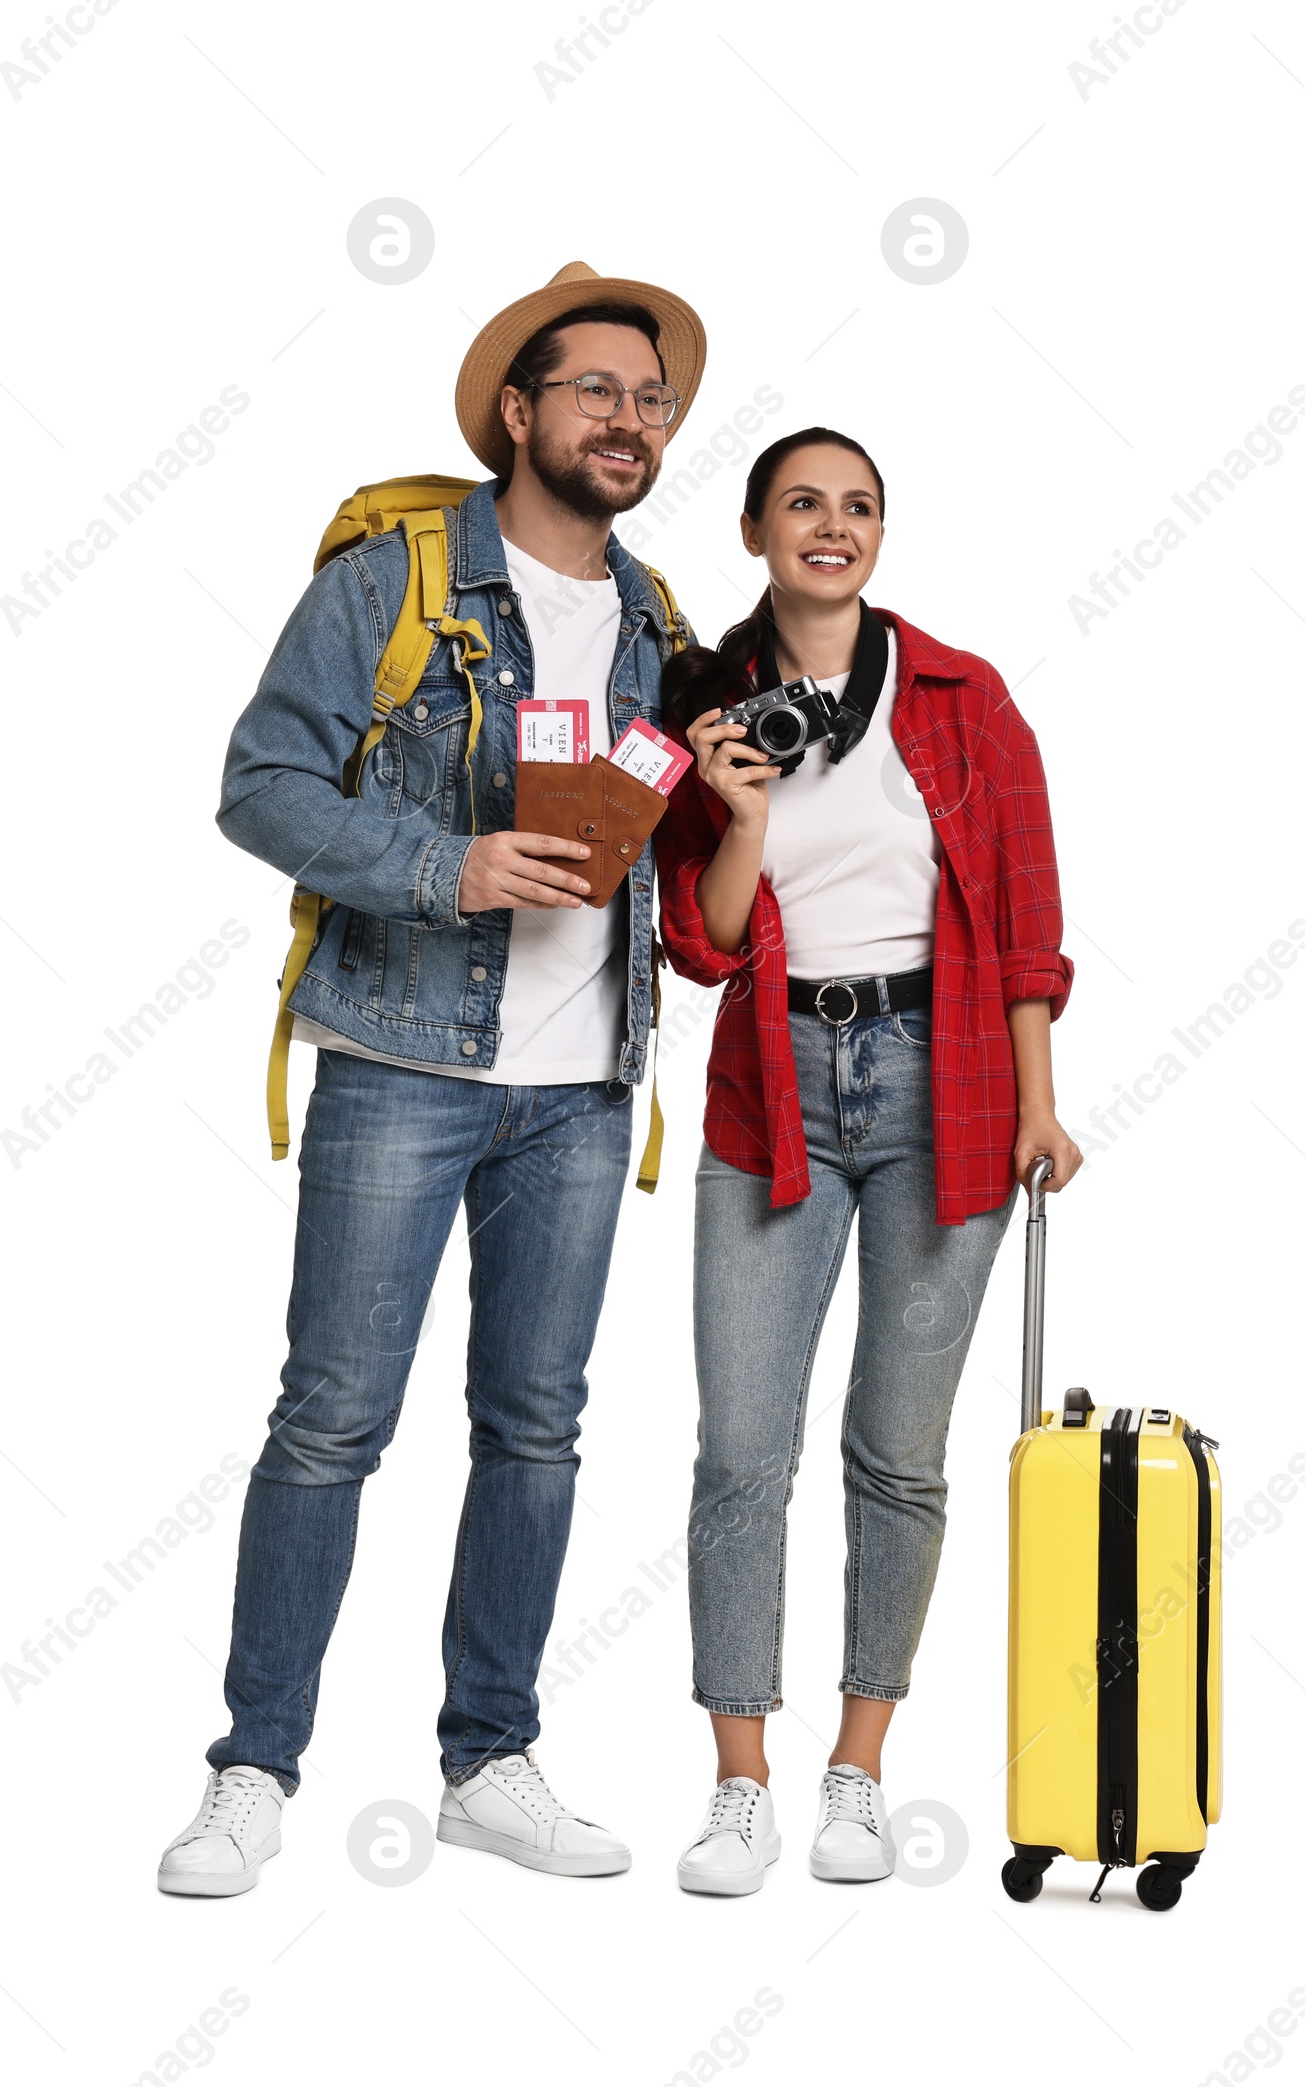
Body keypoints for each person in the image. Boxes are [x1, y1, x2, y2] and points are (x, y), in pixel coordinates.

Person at [157, 263, 705, 1895]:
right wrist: (444, 867)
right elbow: (259, 784)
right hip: (402, 1061)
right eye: (597, 391)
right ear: (519, 414)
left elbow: (661, 835)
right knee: (331, 1420)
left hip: (590, 1085)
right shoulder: (394, 576)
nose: (629, 419)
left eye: (653, 398)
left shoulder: (667, 621)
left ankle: (492, 1760)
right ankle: (253, 1772)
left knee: (537, 1426)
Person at [653, 427, 1081, 1895]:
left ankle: (859, 1767)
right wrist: (740, 812)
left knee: (898, 1455)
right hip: (772, 1089)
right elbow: (699, 945)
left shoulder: (965, 698)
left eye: (857, 508)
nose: (831, 528)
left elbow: (1026, 919)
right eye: (803, 506)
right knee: (738, 1452)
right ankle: (739, 1780)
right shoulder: (700, 707)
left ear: (878, 536)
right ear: (758, 530)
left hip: (942, 1082)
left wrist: (1038, 1101)